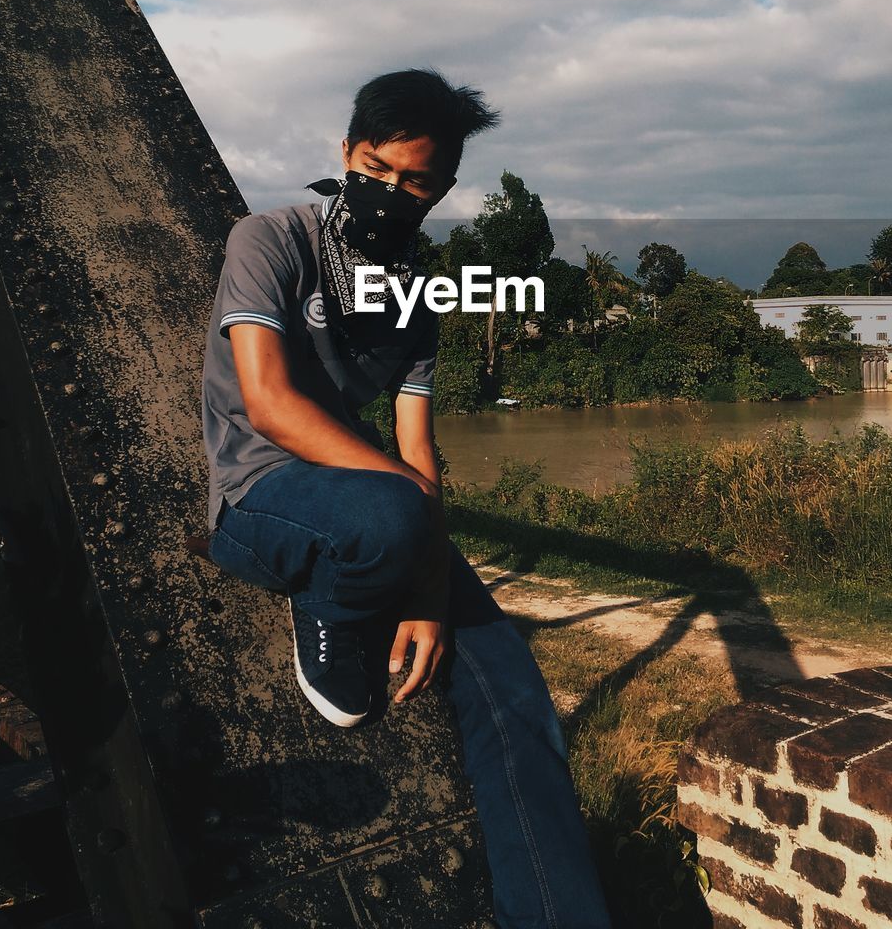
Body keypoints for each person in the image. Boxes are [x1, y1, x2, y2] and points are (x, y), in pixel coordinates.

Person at [200, 68, 613, 929]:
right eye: (375, 166)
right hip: (260, 497)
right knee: (392, 515)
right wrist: (411, 531)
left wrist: (428, 588)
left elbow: (420, 448)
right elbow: (271, 405)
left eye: (414, 179)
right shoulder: (269, 240)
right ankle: (323, 601)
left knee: (513, 693)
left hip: (371, 509)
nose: (390, 190)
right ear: (347, 152)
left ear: (443, 188)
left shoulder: (417, 298)